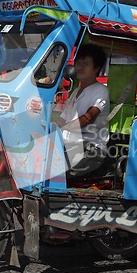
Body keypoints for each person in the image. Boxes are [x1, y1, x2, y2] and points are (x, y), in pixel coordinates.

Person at [56, 44, 110, 178]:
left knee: (55, 172)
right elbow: (62, 118)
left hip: (91, 150)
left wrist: (65, 128)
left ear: (96, 68)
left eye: (85, 64)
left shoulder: (100, 91)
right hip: (71, 147)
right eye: (78, 63)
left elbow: (89, 118)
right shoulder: (75, 92)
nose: (80, 67)